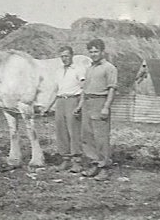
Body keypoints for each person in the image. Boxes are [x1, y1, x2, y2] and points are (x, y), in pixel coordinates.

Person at [74, 38, 118, 181]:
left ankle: (104, 168)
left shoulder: (109, 68)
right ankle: (94, 164)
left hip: (100, 102)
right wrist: (80, 105)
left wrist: (106, 107)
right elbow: (84, 90)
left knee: (101, 137)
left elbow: (112, 89)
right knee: (87, 136)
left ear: (102, 51)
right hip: (87, 102)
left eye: (96, 51)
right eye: (91, 52)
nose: (93, 54)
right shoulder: (90, 68)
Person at [50, 46, 86, 173]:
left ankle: (77, 162)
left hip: (73, 100)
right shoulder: (58, 71)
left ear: (72, 55)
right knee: (61, 131)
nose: (64, 59)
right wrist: (49, 106)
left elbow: (83, 89)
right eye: (62, 56)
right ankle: (65, 159)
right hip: (60, 101)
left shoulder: (78, 69)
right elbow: (55, 90)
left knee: (73, 131)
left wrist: (79, 105)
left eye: (66, 56)